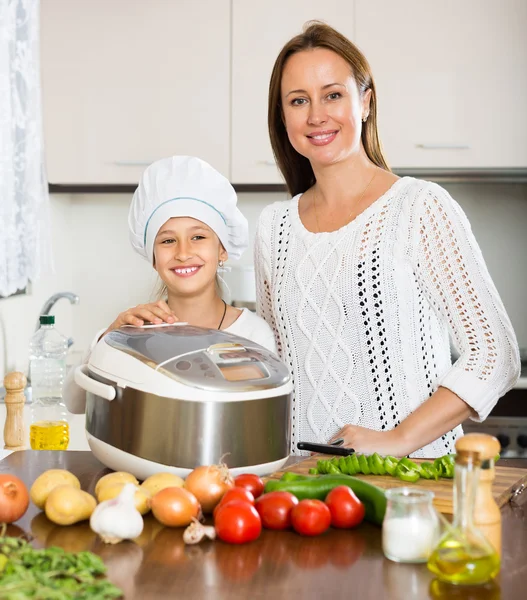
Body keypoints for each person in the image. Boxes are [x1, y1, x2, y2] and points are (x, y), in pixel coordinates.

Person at [254, 21, 520, 458]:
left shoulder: (419, 207)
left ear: (365, 103)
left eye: (333, 94)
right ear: (283, 118)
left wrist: (395, 441)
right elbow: (271, 362)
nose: (316, 115)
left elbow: (495, 355)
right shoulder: (273, 228)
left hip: (412, 483)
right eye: (298, 100)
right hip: (306, 488)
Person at [65, 155, 277, 413]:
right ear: (153, 258)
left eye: (198, 237)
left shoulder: (254, 334)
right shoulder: (136, 333)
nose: (183, 253)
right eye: (167, 241)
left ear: (222, 250)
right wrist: (108, 338)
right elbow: (75, 404)